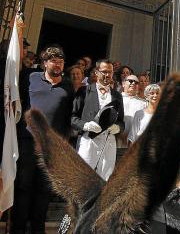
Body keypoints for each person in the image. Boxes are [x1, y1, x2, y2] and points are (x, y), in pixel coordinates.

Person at [11, 46, 74, 234]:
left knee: (45, 188)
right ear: (45, 63)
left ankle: (38, 229)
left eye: (61, 61)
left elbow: (69, 116)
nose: (58, 64)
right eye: (54, 60)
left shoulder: (68, 85)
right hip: (29, 139)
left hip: (53, 146)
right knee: (23, 185)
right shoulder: (30, 77)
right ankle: (18, 228)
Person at [71, 59, 125, 180]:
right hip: (88, 140)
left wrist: (117, 128)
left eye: (110, 72)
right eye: (104, 71)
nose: (107, 75)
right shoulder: (84, 91)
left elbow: (121, 122)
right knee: (83, 178)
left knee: (106, 178)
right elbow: (73, 118)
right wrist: (85, 125)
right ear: (96, 72)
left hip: (108, 141)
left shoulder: (117, 95)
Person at [121, 75, 146, 145]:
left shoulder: (144, 103)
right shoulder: (116, 99)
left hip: (135, 144)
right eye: (130, 81)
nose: (133, 83)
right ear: (123, 84)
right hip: (116, 142)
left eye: (136, 82)